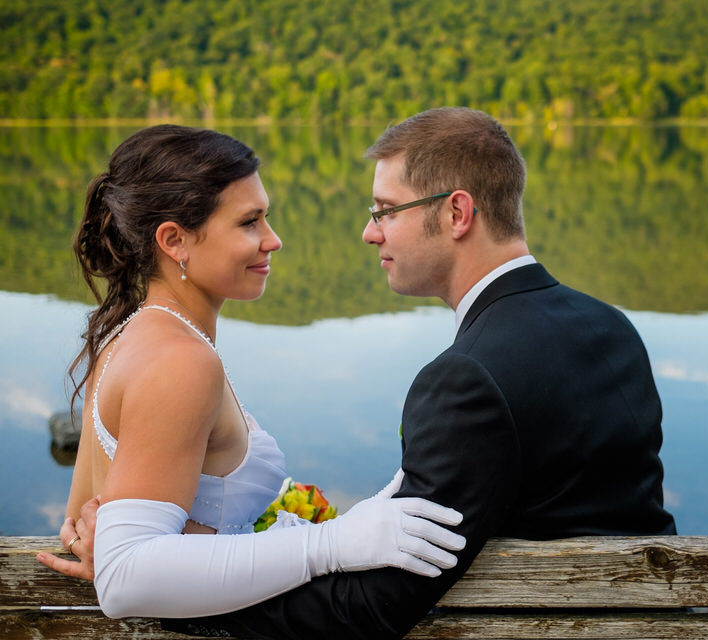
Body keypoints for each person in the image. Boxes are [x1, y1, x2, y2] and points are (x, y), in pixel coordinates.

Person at [164, 107, 675, 638]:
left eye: (386, 210)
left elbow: (375, 605)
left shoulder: (467, 380)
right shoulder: (609, 327)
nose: (369, 232)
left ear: (457, 213)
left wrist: (187, 594)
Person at [36, 124, 466, 618]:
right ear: (174, 240)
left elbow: (80, 521)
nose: (273, 240)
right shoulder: (180, 361)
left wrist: (121, 546)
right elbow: (125, 578)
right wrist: (329, 544)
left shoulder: (123, 336)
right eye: (249, 222)